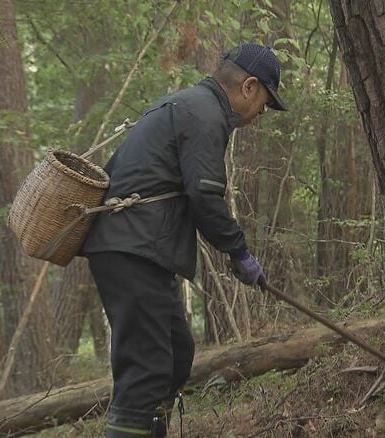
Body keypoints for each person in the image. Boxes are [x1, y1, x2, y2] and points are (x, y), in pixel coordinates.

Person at [81, 43, 287, 437]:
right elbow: (204, 196)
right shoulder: (204, 114)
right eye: (265, 102)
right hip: (132, 249)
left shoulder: (188, 105)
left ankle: (151, 428)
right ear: (248, 86)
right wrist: (238, 252)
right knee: (147, 367)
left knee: (175, 352)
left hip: (136, 247)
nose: (261, 115)